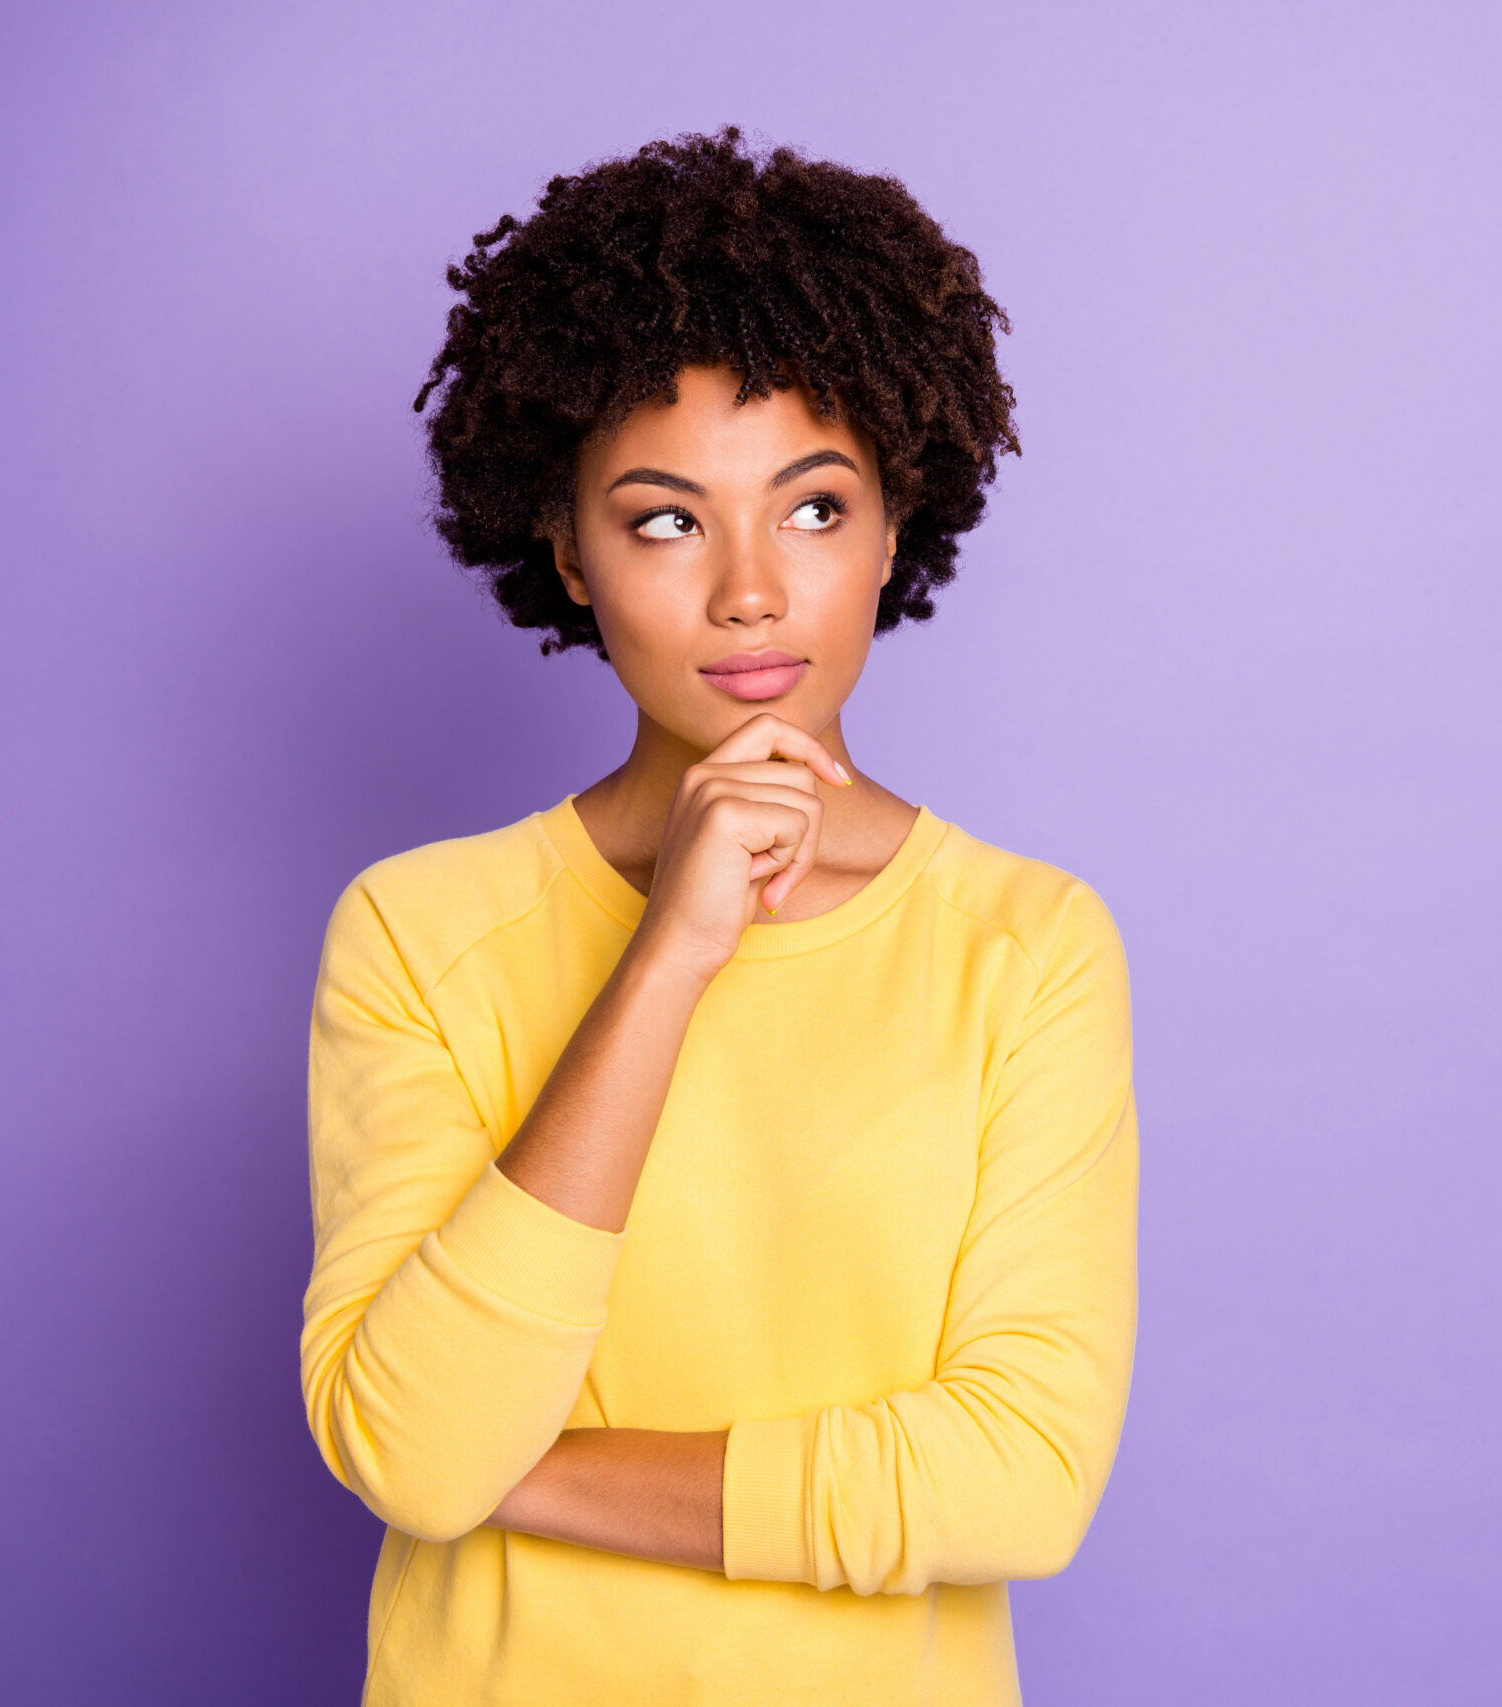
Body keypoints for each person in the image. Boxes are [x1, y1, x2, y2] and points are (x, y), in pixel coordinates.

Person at [298, 127, 1138, 1706]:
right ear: (568, 552)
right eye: (667, 519)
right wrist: (671, 957)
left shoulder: (1025, 945)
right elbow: (415, 1451)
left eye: (814, 509)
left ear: (897, 530)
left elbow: (1022, 1476)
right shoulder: (419, 931)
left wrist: (518, 1477)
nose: (750, 589)